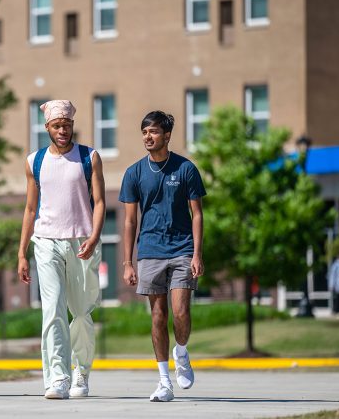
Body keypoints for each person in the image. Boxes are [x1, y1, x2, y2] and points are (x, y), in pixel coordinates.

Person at [17, 100, 106, 400]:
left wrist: (94, 237)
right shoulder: (35, 161)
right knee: (52, 310)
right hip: (45, 241)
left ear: (72, 125)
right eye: (57, 126)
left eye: (66, 125)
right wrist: (21, 253)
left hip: (82, 241)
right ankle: (58, 378)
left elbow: (101, 202)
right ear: (47, 128)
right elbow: (30, 209)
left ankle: (81, 371)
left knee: (80, 312)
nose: (62, 130)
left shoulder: (89, 157)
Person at [119, 111, 205, 402]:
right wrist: (128, 262)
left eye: (153, 132)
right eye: (144, 132)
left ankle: (181, 352)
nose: (148, 137)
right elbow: (130, 221)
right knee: (158, 316)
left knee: (181, 311)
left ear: (166, 136)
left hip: (181, 249)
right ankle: (164, 382)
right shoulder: (133, 173)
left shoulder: (186, 169)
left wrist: (197, 254)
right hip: (150, 252)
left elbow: (197, 214)